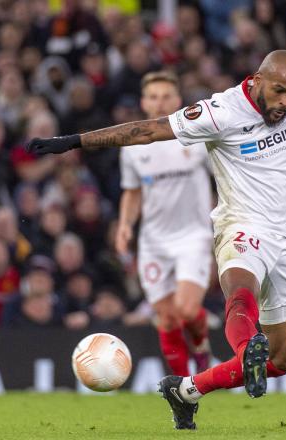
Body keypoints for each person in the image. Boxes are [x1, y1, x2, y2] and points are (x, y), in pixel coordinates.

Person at [28, 37, 286, 429]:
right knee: (241, 293)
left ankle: (185, 391)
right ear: (256, 80)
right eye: (279, 91)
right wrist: (75, 141)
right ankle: (244, 347)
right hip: (240, 226)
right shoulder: (221, 112)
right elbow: (147, 131)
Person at [116, 71, 213, 375]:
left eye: (166, 96)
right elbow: (132, 192)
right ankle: (183, 391)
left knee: (185, 309)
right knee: (167, 318)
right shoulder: (132, 145)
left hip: (193, 236)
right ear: (144, 103)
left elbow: (224, 177)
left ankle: (200, 343)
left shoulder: (197, 137)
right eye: (153, 97)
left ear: (178, 100)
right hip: (153, 241)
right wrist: (124, 225)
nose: (160, 103)